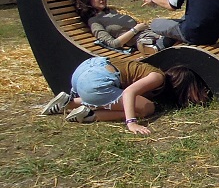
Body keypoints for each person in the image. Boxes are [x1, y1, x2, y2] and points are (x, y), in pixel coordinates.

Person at [38, 57, 209, 135]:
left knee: (115, 97)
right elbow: (129, 92)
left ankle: (68, 103)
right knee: (146, 108)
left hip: (85, 69)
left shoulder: (147, 69)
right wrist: (131, 122)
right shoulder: (157, 78)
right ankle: (91, 115)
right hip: (96, 81)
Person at [76, 0, 160, 55]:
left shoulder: (111, 11)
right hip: (143, 39)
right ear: (88, 1)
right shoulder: (94, 21)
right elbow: (113, 43)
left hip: (151, 31)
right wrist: (136, 29)